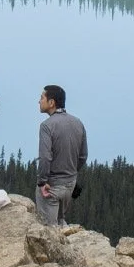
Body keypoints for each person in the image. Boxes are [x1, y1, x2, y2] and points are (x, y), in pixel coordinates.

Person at [36, 85, 87, 226]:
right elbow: (83, 156)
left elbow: (45, 157)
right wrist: (71, 173)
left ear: (51, 102)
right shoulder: (78, 123)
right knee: (61, 223)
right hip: (70, 184)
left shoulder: (46, 126)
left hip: (51, 186)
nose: (39, 101)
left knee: (47, 230)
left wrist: (42, 182)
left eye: (41, 97)